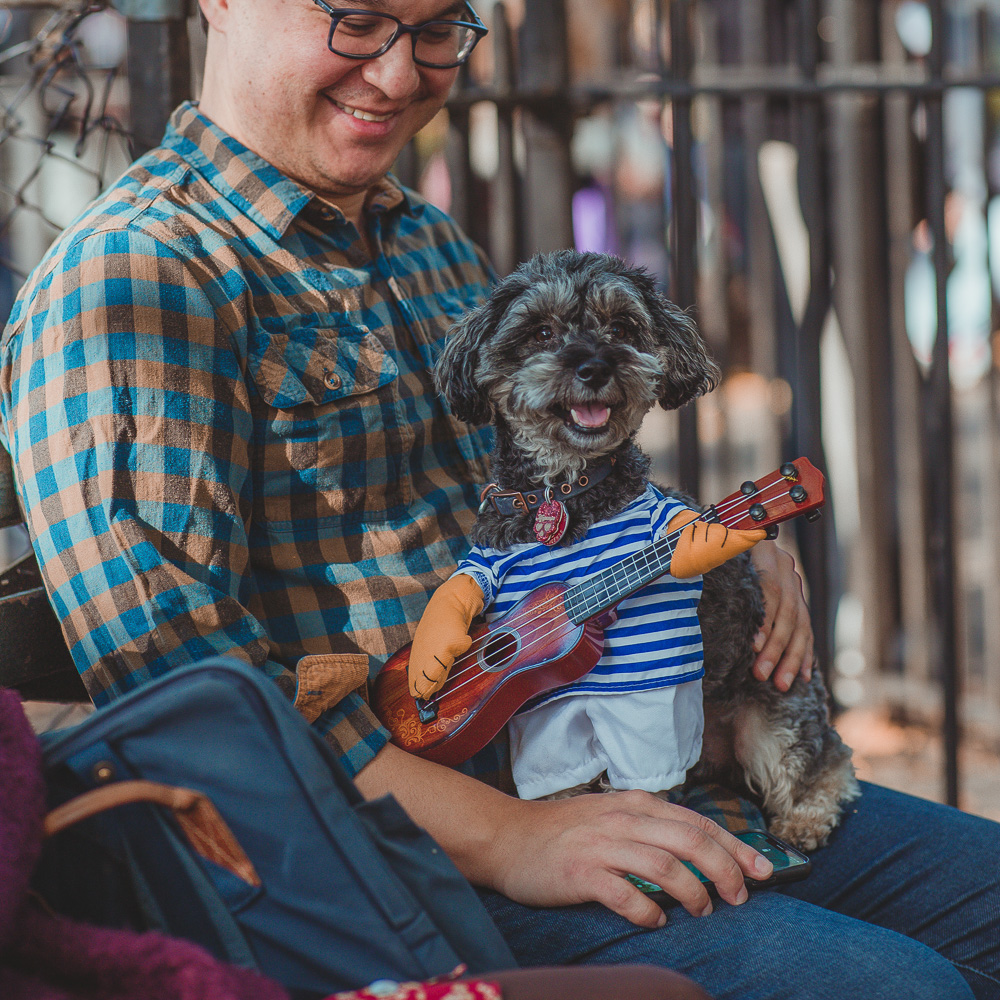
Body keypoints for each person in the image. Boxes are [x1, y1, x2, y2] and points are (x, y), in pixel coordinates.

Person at [0, 2, 996, 998]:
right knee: (902, 987)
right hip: (412, 867)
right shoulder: (136, 277)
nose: (397, 75)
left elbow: (550, 492)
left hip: (632, 762)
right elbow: (184, 700)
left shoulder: (427, 241)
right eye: (354, 19)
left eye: (437, 28)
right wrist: (509, 836)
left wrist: (723, 544)